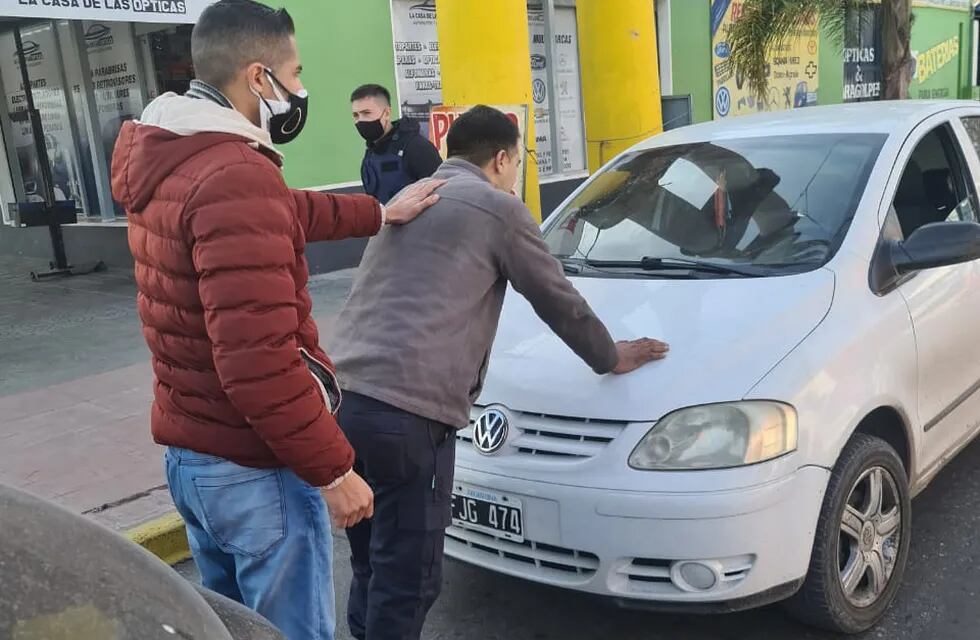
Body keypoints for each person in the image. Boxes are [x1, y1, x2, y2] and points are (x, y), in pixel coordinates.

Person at [109, 2, 442, 639]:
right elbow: (257, 362)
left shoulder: (174, 154)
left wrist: (377, 213)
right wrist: (335, 471)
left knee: (233, 628)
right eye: (295, 71)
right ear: (259, 78)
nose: (299, 89)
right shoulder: (233, 173)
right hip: (254, 471)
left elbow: (283, 211)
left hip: (194, 457)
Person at [329, 105, 669, 640]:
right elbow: (558, 299)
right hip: (409, 415)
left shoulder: (410, 198)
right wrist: (612, 356)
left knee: (371, 559)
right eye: (517, 162)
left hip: (345, 401)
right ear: (502, 158)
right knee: (409, 579)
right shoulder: (498, 209)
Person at [351, 83, 443, 203]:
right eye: (356, 115)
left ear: (387, 113)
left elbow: (441, 193)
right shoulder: (371, 155)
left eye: (367, 113)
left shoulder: (416, 147)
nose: (360, 120)